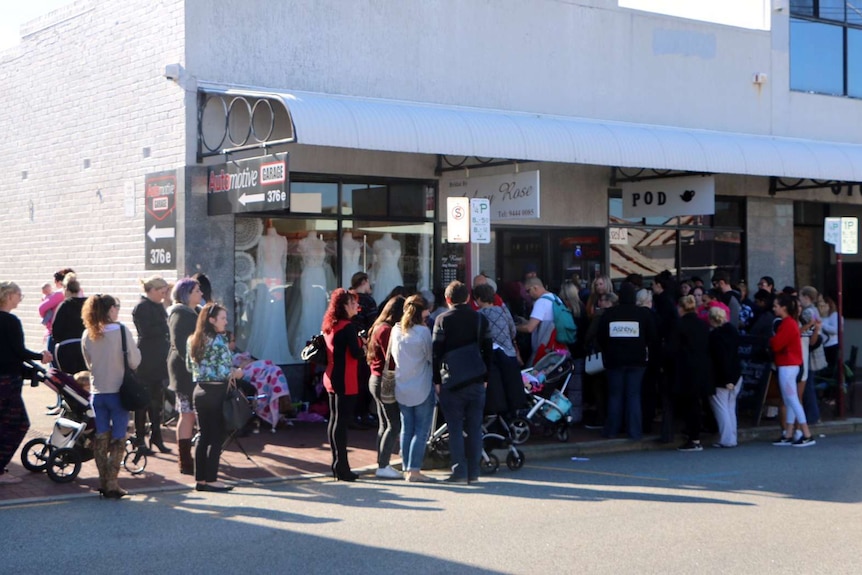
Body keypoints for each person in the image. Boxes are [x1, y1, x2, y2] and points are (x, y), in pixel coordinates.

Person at [81, 294, 141, 498]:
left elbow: (88, 363)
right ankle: (112, 482)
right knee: (119, 436)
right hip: (119, 391)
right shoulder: (122, 331)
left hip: (98, 393)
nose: (118, 310)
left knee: (101, 436)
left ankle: (102, 480)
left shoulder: (87, 333)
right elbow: (134, 361)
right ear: (109, 310)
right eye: (116, 306)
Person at [432, 280, 492, 484]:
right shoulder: (480, 319)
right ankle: (474, 472)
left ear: (448, 299)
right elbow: (488, 350)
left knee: (455, 427)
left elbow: (435, 352)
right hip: (476, 378)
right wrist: (486, 377)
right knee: (475, 427)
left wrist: (436, 380)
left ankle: (458, 471)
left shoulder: (442, 319)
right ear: (467, 298)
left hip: (452, 381)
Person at [185, 302, 242, 492]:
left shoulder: (192, 339)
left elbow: (188, 366)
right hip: (217, 390)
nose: (226, 322)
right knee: (216, 436)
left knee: (203, 435)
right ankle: (211, 479)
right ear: (212, 320)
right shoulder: (218, 341)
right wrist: (237, 373)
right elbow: (225, 370)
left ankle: (199, 479)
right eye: (223, 318)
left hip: (199, 390)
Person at [0, 282, 52, 484]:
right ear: (10, 296)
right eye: (19, 294)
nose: (20, 298)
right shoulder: (10, 321)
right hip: (7, 380)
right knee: (18, 423)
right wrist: (41, 356)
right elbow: (18, 352)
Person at [596, 282, 657, 441]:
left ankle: (612, 430)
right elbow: (652, 336)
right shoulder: (642, 314)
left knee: (615, 396)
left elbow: (601, 336)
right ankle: (635, 432)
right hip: (637, 360)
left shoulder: (609, 314)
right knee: (634, 396)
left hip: (614, 360)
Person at [322, 288, 366, 481]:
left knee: (334, 421)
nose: (356, 306)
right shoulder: (348, 326)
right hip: (345, 378)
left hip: (331, 375)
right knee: (341, 423)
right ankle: (343, 468)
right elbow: (357, 353)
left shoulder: (332, 324)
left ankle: (337, 465)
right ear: (344, 306)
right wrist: (364, 344)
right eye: (353, 303)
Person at [391, 295, 435, 483]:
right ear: (422, 311)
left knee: (406, 428)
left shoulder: (396, 330)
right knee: (421, 430)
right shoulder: (423, 332)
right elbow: (430, 357)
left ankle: (406, 466)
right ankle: (414, 470)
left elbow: (393, 354)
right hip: (422, 384)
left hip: (402, 385)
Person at [366, 296, 406, 479]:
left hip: (375, 378)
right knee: (394, 424)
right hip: (385, 380)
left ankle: (381, 463)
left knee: (384, 424)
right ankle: (383, 465)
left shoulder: (377, 327)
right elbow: (392, 358)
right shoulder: (387, 330)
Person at [132, 275, 172, 455]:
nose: (164, 296)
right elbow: (146, 332)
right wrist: (166, 327)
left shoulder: (157, 306)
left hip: (159, 357)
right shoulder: (142, 307)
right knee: (143, 401)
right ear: (152, 290)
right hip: (147, 358)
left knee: (157, 401)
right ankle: (140, 439)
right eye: (162, 292)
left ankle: (157, 436)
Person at [167, 278, 203, 475]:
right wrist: (194, 364)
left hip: (193, 369)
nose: (201, 294)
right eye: (197, 291)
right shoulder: (180, 313)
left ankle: (193, 456)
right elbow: (180, 344)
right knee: (187, 413)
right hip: (184, 370)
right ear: (187, 293)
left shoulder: (195, 312)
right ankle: (184, 458)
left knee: (190, 413)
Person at [770, 293, 815, 447]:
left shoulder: (788, 324)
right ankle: (789, 433)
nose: (774, 308)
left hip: (787, 365)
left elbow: (776, 344)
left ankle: (806, 433)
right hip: (790, 364)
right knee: (791, 400)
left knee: (792, 400)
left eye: (776, 306)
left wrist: (771, 341)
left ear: (784, 307)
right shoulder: (789, 323)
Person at [475, 283, 525, 417]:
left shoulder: (478, 315)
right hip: (508, 354)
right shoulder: (503, 310)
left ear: (479, 299)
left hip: (491, 357)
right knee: (512, 390)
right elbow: (513, 331)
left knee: (496, 392)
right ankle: (513, 417)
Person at [671, 295, 712, 452]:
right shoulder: (702, 324)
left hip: (686, 369)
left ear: (681, 308)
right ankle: (695, 433)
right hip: (702, 368)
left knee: (690, 404)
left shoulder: (679, 324)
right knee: (696, 403)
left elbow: (673, 348)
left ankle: (693, 438)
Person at [708, 307, 742, 448]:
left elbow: (721, 358)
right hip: (736, 374)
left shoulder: (715, 336)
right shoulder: (733, 331)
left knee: (721, 407)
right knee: (730, 407)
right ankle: (731, 436)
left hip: (721, 376)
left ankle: (727, 438)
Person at [349, 272, 379, 429]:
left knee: (353, 380)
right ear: (364, 282)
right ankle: (363, 413)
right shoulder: (368, 301)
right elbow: (373, 324)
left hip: (348, 344)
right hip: (364, 344)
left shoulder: (348, 298)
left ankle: (353, 413)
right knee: (364, 379)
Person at [515, 277, 560, 365]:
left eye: (528, 291)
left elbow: (530, 328)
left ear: (535, 287)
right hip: (555, 347)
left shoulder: (541, 302)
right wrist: (525, 321)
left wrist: (513, 327)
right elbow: (540, 322)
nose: (527, 294)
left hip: (543, 349)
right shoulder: (555, 298)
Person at [50, 274, 88, 373]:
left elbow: (56, 331)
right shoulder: (87, 305)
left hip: (67, 348)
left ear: (66, 290)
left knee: (70, 380)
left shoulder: (64, 306)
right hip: (86, 346)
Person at [39, 268, 75, 348]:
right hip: (68, 331)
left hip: (58, 332)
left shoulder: (59, 294)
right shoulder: (78, 293)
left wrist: (49, 323)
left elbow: (41, 308)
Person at [819, 295, 840, 371]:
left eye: (823, 305)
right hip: (823, 345)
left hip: (832, 345)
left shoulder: (835, 315)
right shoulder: (821, 315)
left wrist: (822, 324)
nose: (821, 308)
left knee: (831, 367)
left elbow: (835, 330)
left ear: (829, 305)